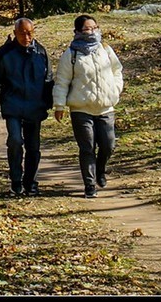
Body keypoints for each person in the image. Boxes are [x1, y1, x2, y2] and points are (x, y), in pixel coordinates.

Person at [53, 14, 124, 198]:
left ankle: (100, 170)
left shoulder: (105, 49)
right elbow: (61, 81)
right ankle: (90, 185)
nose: (92, 32)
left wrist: (115, 90)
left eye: (94, 28)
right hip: (81, 109)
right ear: (77, 32)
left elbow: (117, 71)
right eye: (87, 29)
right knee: (87, 148)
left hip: (106, 107)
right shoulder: (71, 54)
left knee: (109, 145)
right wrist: (59, 105)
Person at [0, 17, 54, 197]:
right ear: (15, 33)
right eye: (22, 33)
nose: (26, 36)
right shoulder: (4, 53)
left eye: (30, 33)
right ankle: (16, 180)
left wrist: (48, 102)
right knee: (15, 141)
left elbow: (48, 79)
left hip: (34, 106)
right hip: (12, 105)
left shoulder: (40, 52)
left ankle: (30, 182)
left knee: (33, 147)